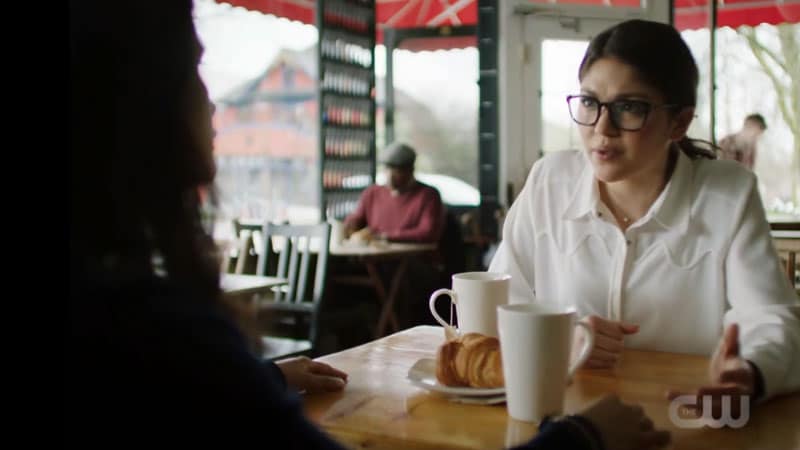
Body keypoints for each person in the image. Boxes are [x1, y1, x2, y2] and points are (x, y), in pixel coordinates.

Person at [68, 2, 669, 448]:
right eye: (194, 71)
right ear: (138, 106)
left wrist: (257, 378)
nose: (212, 101)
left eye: (629, 108)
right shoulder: (155, 327)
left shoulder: (133, 320)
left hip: (413, 286)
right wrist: (582, 440)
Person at [489, 19, 800, 418]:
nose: (602, 128)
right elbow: (497, 301)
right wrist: (557, 337)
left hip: (683, 417)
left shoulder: (727, 194)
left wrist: (750, 372)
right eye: (588, 102)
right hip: (564, 421)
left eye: (629, 107)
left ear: (679, 122)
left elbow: (773, 320)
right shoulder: (550, 180)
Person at [344, 142, 444, 243]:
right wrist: (350, 224)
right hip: (375, 255)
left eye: (397, 171)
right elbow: (357, 219)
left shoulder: (428, 195)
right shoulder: (372, 192)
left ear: (410, 170)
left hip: (411, 256)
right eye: (387, 169)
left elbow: (428, 233)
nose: (390, 176)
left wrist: (384, 237)